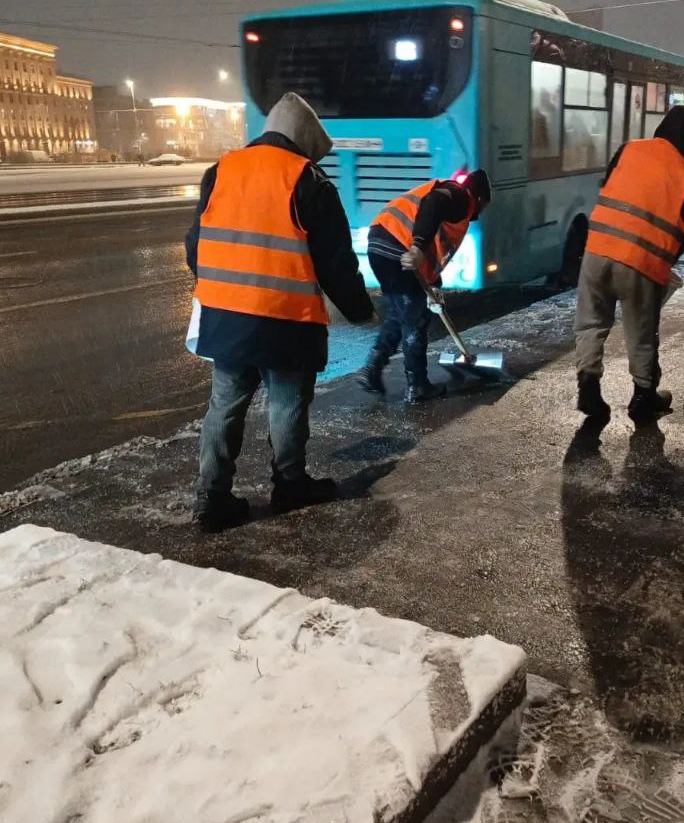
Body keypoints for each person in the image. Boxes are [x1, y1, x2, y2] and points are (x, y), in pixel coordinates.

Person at [184, 92, 375, 530]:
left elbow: (195, 245)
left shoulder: (221, 170)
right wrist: (360, 311)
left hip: (225, 315)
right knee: (287, 405)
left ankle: (211, 499)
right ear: (304, 139)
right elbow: (336, 263)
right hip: (286, 321)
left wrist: (222, 286)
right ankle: (290, 486)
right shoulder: (308, 180)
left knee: (224, 407)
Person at [574, 105, 684, 424]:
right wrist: (664, 265)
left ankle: (588, 388)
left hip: (597, 250)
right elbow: (682, 233)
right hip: (640, 264)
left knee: (591, 322)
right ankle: (643, 397)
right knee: (641, 331)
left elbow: (608, 186)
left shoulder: (629, 149)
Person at [356, 171, 492, 403]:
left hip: (380, 244)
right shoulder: (461, 197)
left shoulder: (455, 200)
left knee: (400, 312)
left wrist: (434, 285)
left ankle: (372, 369)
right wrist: (417, 246)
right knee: (415, 319)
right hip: (400, 247)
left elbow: (435, 248)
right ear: (479, 199)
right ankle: (417, 386)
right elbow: (433, 204)